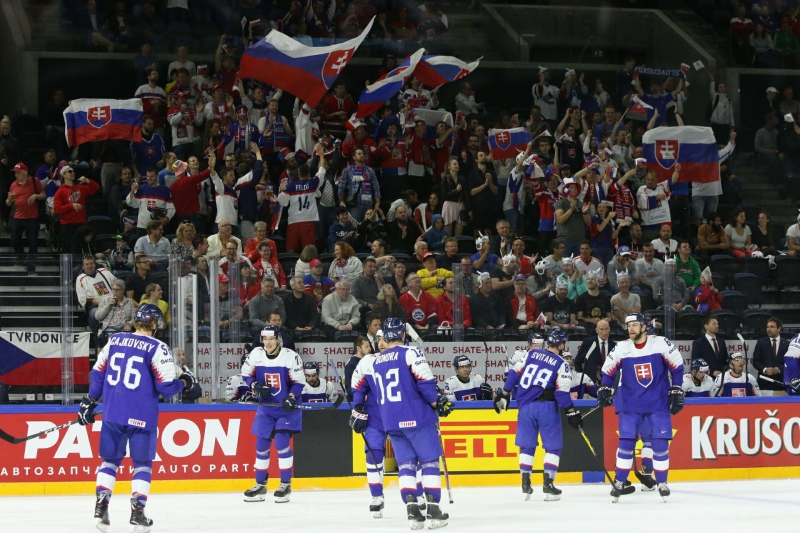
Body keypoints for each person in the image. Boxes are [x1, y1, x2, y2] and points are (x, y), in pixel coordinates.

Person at [80, 304, 195, 532]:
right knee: (142, 465)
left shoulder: (115, 340)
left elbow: (98, 373)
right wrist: (185, 382)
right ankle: (137, 513)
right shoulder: (157, 347)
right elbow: (165, 388)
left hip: (113, 413)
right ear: (155, 323)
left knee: (109, 461)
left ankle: (101, 509)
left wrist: (89, 401)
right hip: (142, 416)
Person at [350, 317, 453, 529]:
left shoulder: (374, 361)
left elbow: (358, 386)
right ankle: (433, 510)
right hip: (417, 417)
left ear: (385, 337)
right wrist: (436, 402)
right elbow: (425, 384)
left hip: (391, 421)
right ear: (403, 335)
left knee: (406, 465)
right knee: (429, 462)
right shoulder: (411, 353)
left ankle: (413, 512)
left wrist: (358, 407)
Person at [598, 313, 684, 502]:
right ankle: (620, 482)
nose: (631, 328)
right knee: (626, 443)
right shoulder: (621, 348)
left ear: (644, 327)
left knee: (660, 443)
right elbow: (608, 372)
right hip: (630, 404)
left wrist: (676, 388)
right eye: (629, 325)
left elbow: (677, 367)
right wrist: (604, 387)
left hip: (657, 403)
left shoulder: (661, 343)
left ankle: (662, 482)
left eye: (635, 325)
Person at [494, 327, 582, 501]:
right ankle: (548, 484)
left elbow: (514, 373)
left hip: (525, 407)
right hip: (546, 407)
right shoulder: (561, 363)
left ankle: (525, 483)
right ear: (561, 344)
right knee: (552, 446)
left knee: (527, 445)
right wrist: (572, 412)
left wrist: (504, 393)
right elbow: (561, 394)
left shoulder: (531, 354)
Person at [241, 326, 306, 503]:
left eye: (271, 339)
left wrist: (292, 397)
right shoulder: (256, 354)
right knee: (261, 445)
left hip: (287, 409)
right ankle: (260, 485)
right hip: (266, 408)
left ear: (278, 339)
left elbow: (299, 382)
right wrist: (255, 386)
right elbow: (246, 375)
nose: (267, 343)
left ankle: (285, 484)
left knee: (282, 441)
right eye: (265, 339)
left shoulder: (290, 356)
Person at [53, 167, 100, 253]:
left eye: (73, 171)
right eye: (70, 171)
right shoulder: (60, 191)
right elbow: (57, 209)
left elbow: (96, 188)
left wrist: (87, 180)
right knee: (68, 251)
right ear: (63, 175)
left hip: (81, 225)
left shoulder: (80, 187)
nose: (72, 173)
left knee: (82, 251)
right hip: (68, 226)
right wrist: (71, 206)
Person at [76, 255, 118, 334]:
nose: (89, 266)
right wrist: (96, 301)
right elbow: (83, 299)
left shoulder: (104, 271)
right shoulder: (81, 279)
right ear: (83, 266)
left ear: (95, 264)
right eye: (87, 264)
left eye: (91, 263)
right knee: (94, 314)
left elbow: (117, 285)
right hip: (96, 306)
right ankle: (97, 337)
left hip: (113, 301)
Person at [752, 317, 789, 395]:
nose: (768, 329)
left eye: (772, 327)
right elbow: (755, 361)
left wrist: (779, 369)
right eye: (767, 327)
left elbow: (789, 362)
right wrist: (765, 369)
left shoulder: (787, 344)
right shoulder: (761, 343)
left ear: (779, 328)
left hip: (781, 383)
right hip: (764, 383)